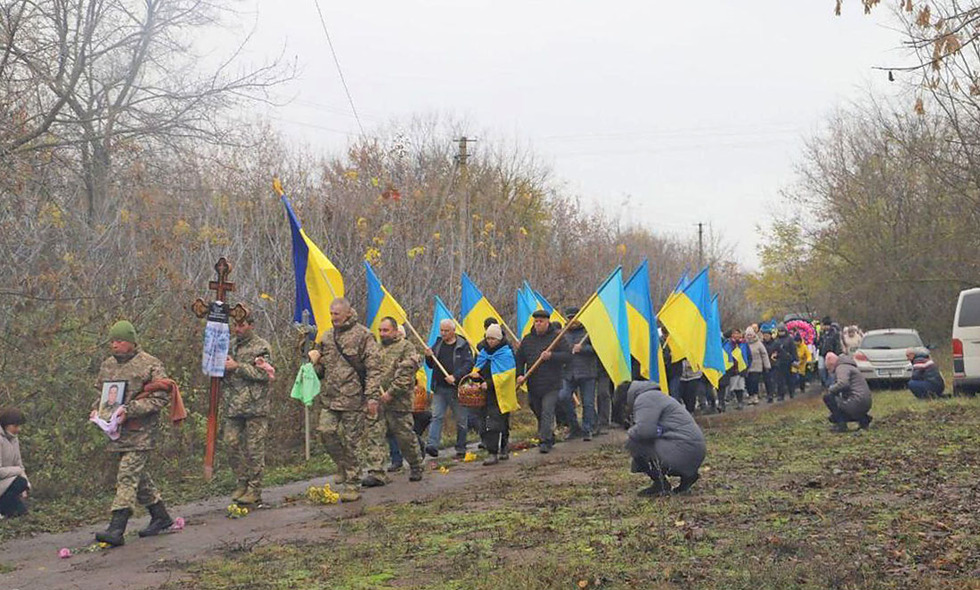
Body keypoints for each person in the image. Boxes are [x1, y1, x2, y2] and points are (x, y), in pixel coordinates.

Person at [89, 320, 174, 546]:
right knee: (138, 476)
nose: (115, 345)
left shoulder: (150, 364)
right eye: (112, 341)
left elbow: (161, 397)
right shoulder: (107, 365)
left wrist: (131, 410)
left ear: (131, 342)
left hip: (142, 431)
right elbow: (101, 392)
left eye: (119, 341)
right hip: (117, 431)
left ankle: (116, 528)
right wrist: (98, 410)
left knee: (127, 475)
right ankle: (160, 516)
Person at [309, 298, 383, 502]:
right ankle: (342, 464)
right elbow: (322, 370)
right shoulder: (326, 337)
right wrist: (312, 363)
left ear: (348, 314)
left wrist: (372, 397)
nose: (333, 318)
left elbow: (374, 369)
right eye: (331, 314)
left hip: (353, 398)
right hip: (330, 398)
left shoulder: (363, 335)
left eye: (337, 314)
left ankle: (352, 484)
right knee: (326, 431)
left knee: (353, 443)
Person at [221, 311, 273, 506]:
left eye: (242, 325)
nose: (238, 328)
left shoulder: (262, 347)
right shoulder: (231, 345)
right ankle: (241, 481)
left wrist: (238, 366)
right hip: (234, 405)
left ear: (251, 325)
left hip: (255, 406)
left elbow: (265, 374)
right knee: (230, 443)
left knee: (254, 449)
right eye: (235, 325)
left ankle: (255, 489)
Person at [618, 381, 706, 496]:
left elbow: (645, 431)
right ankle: (688, 477)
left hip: (682, 451)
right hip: (695, 450)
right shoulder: (658, 396)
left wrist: (628, 433)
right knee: (647, 438)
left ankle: (660, 484)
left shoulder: (645, 399)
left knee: (634, 442)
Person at [375, 317, 424, 482]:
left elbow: (406, 374)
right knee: (376, 437)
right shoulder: (376, 349)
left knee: (404, 437)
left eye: (386, 330)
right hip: (377, 401)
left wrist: (391, 393)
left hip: (399, 402)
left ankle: (416, 465)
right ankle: (376, 472)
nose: (382, 334)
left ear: (395, 331)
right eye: (380, 330)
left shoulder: (406, 347)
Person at [516, 309, 572, 453]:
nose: (538, 324)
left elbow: (567, 356)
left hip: (552, 383)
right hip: (533, 384)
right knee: (538, 410)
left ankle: (544, 441)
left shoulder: (556, 338)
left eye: (541, 321)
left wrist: (552, 356)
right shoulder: (527, 340)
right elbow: (519, 359)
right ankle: (548, 434)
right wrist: (519, 375)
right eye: (536, 321)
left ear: (547, 322)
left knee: (547, 411)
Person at [423, 318, 474, 459]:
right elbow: (431, 365)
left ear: (453, 331)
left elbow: (469, 364)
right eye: (442, 330)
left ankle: (461, 447)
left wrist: (455, 376)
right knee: (436, 416)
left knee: (461, 419)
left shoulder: (463, 345)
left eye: (446, 331)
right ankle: (432, 445)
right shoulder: (438, 344)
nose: (443, 333)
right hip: (439, 387)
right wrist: (428, 357)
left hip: (457, 389)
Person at [474, 324, 518, 465]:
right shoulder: (483, 353)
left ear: (499, 339)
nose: (490, 341)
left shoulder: (506, 354)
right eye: (488, 338)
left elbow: (507, 374)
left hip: (501, 394)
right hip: (484, 395)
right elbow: (478, 368)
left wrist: (490, 383)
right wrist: (474, 378)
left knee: (498, 422)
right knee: (484, 423)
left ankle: (500, 449)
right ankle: (492, 449)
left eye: (493, 338)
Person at [559, 307, 598, 440]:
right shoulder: (562, 333)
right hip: (568, 373)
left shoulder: (589, 332)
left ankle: (588, 429)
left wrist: (583, 348)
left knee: (588, 402)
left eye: (573, 318)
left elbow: (598, 349)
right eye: (569, 318)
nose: (571, 321)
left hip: (587, 372)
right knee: (563, 396)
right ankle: (574, 427)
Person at [823, 352, 873, 432]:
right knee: (833, 417)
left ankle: (841, 425)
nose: (830, 372)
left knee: (828, 397)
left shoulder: (841, 367)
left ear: (832, 363)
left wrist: (830, 389)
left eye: (829, 368)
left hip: (856, 401)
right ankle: (863, 419)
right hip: (864, 402)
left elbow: (843, 383)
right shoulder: (848, 366)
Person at [0, 408, 30, 518]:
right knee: (20, 482)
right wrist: (18, 471)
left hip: (8, 482)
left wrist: (27, 484)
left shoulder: (14, 439)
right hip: (3, 481)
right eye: (15, 426)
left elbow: (19, 463)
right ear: (6, 425)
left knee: (22, 513)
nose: (18, 429)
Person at [771, 324, 798, 401]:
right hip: (779, 361)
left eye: (782, 331)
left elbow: (793, 350)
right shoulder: (776, 340)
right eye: (779, 331)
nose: (781, 333)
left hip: (788, 361)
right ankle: (781, 395)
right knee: (780, 380)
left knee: (789, 378)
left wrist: (795, 360)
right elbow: (773, 350)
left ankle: (791, 392)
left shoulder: (790, 339)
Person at [744, 327, 770, 405]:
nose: (749, 336)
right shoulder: (744, 344)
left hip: (757, 366)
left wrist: (766, 365)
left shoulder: (758, 343)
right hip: (747, 366)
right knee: (748, 383)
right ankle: (750, 396)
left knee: (754, 381)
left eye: (750, 335)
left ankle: (755, 396)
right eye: (748, 335)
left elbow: (764, 354)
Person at [817, 320, 843, 388]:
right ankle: (825, 382)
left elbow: (837, 345)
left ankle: (830, 385)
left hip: (831, 354)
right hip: (822, 353)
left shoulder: (834, 333)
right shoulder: (822, 333)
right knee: (821, 369)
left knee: (831, 371)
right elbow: (819, 342)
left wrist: (836, 354)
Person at [761, 330, 778, 402]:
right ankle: (769, 393)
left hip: (774, 364)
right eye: (764, 336)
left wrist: (776, 355)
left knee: (772, 379)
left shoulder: (775, 343)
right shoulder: (762, 344)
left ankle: (772, 393)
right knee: (766, 380)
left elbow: (780, 352)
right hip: (765, 364)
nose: (766, 337)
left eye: (767, 335)